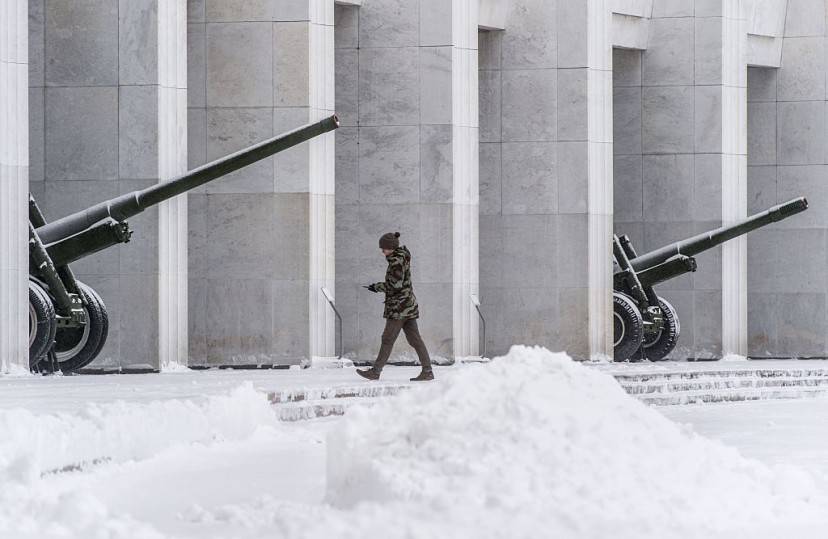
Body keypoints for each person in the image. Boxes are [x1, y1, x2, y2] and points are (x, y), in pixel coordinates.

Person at [357, 232, 434, 382]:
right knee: (415, 340)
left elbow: (395, 285)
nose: (382, 251)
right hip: (408, 305)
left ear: (391, 247)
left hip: (399, 308)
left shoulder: (396, 261)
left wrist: (377, 287)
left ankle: (375, 372)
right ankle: (427, 371)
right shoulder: (402, 257)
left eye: (384, 248)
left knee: (387, 339)